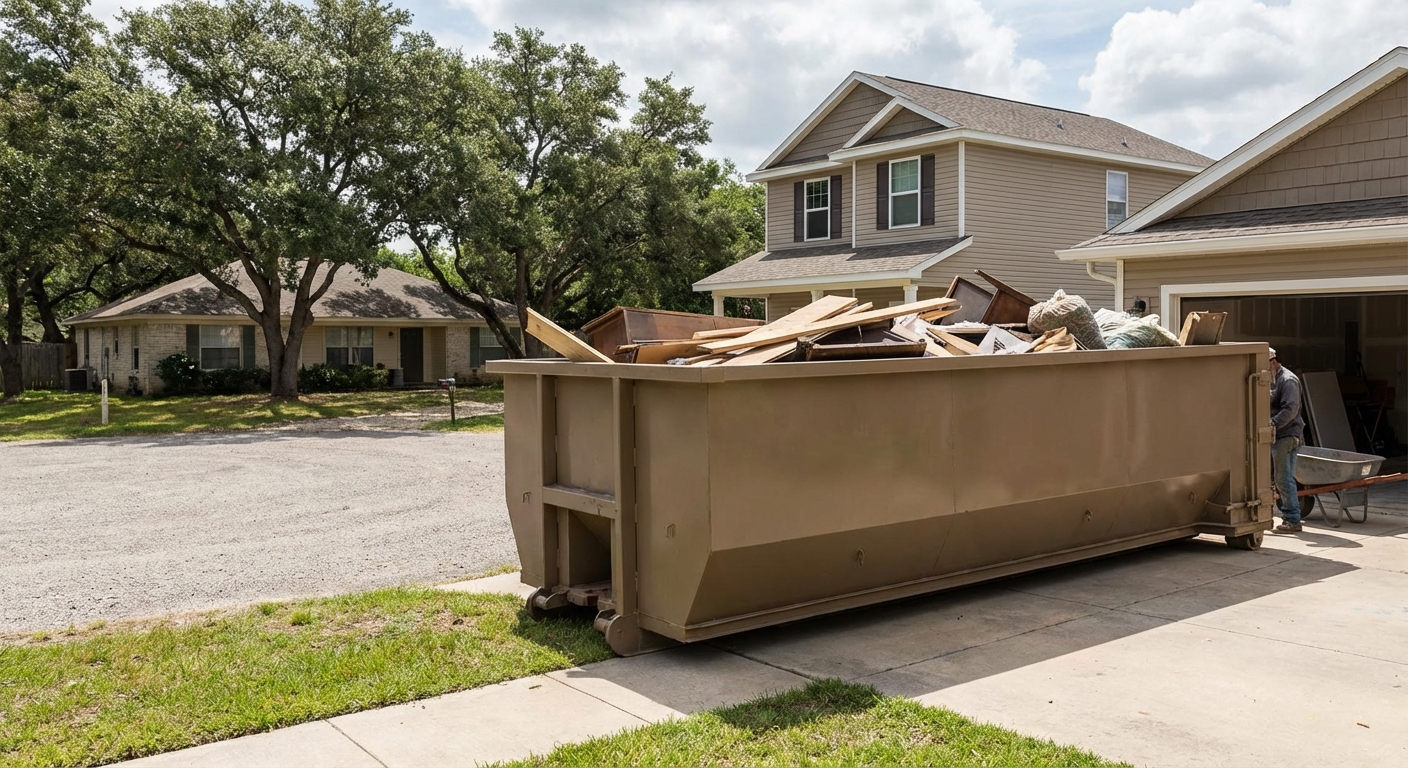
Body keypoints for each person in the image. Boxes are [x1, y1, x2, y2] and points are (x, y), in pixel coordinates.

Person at [1269, 348, 1305, 533]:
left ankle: (1292, 519)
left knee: (1283, 478)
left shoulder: (1288, 380)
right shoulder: (1272, 379)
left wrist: (1271, 424)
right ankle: (1286, 516)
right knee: (1278, 478)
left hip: (1287, 434)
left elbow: (1290, 409)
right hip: (1277, 434)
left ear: (1273, 361)